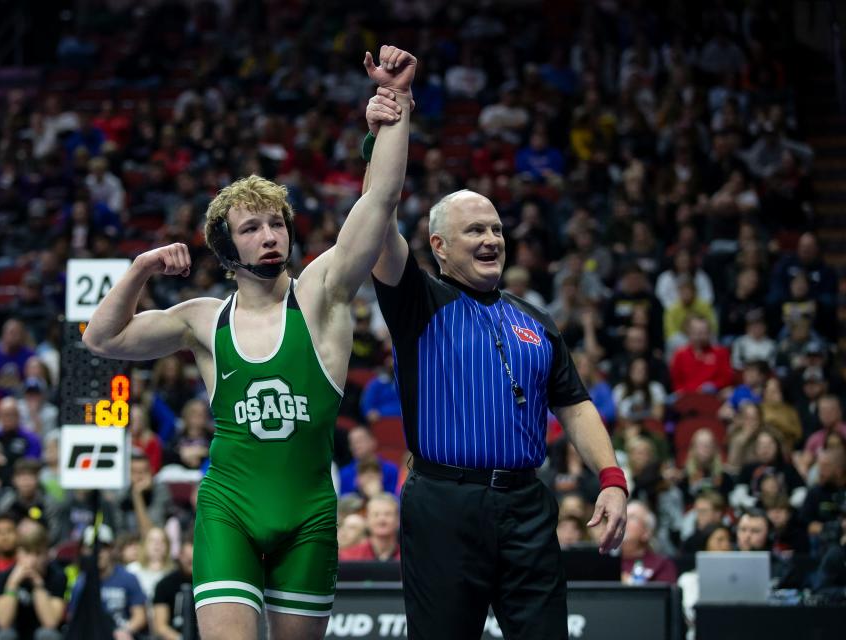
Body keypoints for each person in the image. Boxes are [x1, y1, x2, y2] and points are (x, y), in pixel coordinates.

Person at [82, 45, 415, 640]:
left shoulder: (322, 293)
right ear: (226, 249)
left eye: (277, 223)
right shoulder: (203, 319)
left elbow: (379, 201)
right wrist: (139, 268)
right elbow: (102, 338)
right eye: (252, 228)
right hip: (228, 512)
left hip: (310, 518)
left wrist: (398, 106)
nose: (269, 236)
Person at [364, 91, 627, 640]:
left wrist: (612, 480)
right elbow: (376, 217)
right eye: (475, 231)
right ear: (438, 245)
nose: (491, 239)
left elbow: (575, 406)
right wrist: (385, 132)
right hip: (443, 505)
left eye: (496, 229)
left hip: (527, 505)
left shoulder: (536, 319)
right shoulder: (417, 303)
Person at [0, 521, 66, 640]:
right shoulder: (4, 577)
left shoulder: (57, 576)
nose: (32, 560)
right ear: (17, 553)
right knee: (4, 635)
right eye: (27, 553)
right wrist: (12, 584)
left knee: (48, 635)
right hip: (16, 634)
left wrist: (38, 586)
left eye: (38, 554)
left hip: (41, 634)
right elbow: (3, 623)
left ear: (47, 554)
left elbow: (51, 623)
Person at [338, 493, 400, 561]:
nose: (382, 519)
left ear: (398, 520)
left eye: (388, 514)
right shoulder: (348, 557)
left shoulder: (408, 557)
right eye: (376, 515)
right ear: (367, 520)